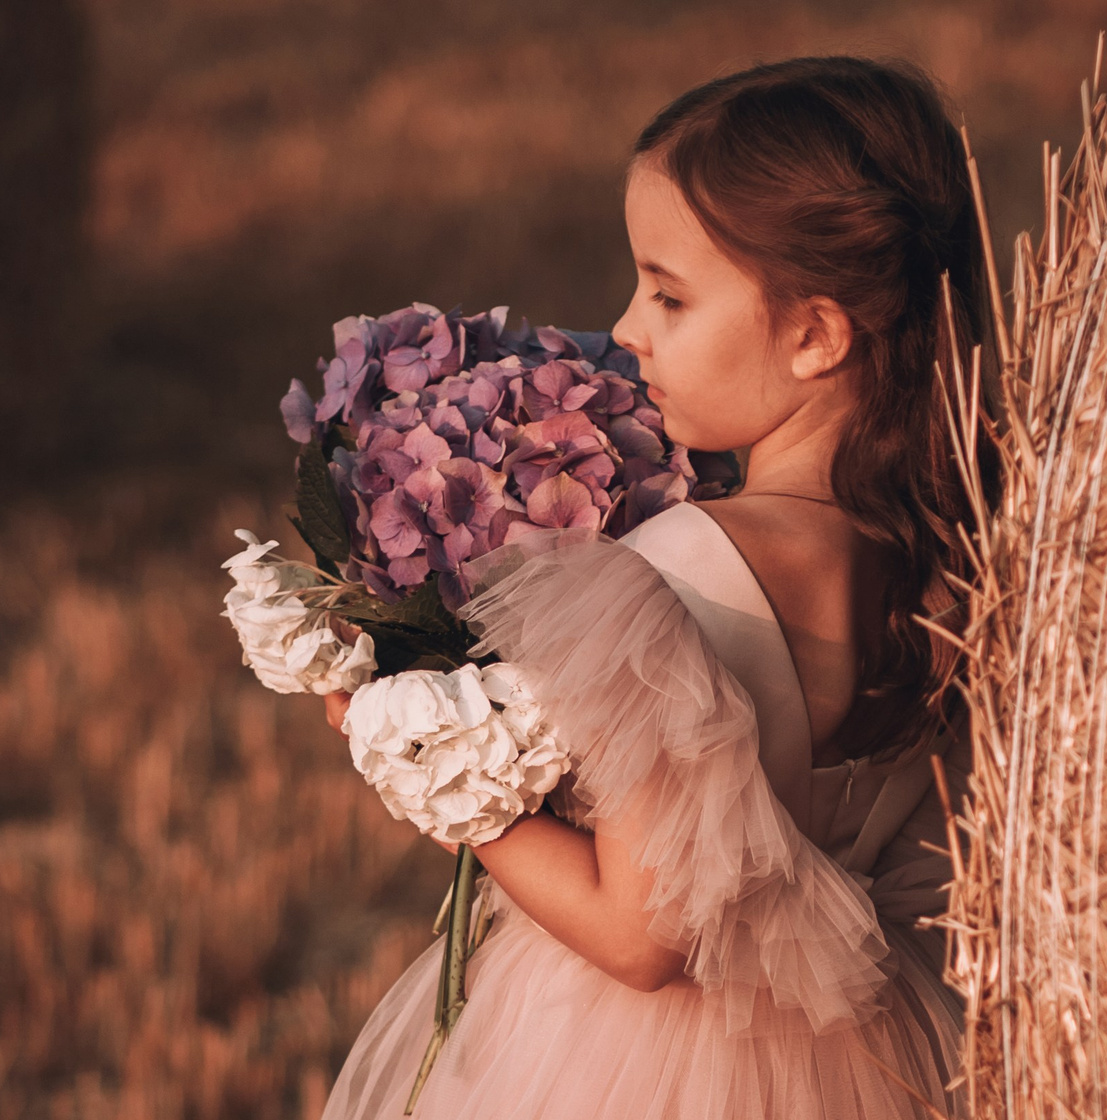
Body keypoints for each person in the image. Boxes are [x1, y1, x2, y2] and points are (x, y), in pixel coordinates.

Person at [315, 55, 995, 1119]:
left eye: (670, 293)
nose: (628, 327)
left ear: (815, 334)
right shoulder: (962, 554)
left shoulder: (675, 575)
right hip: (881, 1058)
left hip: (635, 1065)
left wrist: (435, 775)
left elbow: (640, 938)